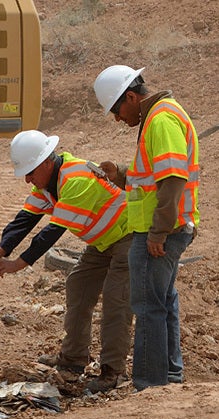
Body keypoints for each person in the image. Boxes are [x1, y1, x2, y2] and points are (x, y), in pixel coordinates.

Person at [0, 129, 132, 393]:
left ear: (47, 162)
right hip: (103, 241)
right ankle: (73, 360)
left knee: (116, 300)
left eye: (31, 172)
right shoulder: (48, 183)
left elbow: (52, 232)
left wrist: (18, 264)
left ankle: (113, 372)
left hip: (129, 236)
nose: (28, 180)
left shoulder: (76, 179)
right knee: (78, 286)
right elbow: (24, 220)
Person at [93, 65, 200, 391]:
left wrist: (157, 232)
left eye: (117, 110)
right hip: (164, 228)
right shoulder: (159, 117)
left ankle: (149, 385)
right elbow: (152, 180)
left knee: (148, 306)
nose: (117, 118)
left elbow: (172, 180)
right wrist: (122, 174)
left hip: (162, 231)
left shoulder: (162, 119)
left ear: (130, 96)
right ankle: (167, 378)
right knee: (163, 301)